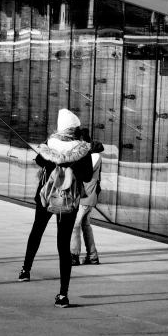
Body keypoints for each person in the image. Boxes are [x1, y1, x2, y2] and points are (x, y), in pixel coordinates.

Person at [18, 109, 99, 309]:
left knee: (37, 230)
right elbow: (87, 176)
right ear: (74, 129)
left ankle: (25, 270)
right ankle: (63, 295)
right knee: (63, 246)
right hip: (68, 201)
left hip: (46, 196)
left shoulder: (49, 145)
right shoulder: (82, 149)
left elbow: (38, 160)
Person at [71, 128, 104, 266]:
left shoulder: (94, 156)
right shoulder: (91, 155)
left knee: (75, 225)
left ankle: (74, 255)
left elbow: (85, 173)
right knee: (85, 225)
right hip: (86, 195)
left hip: (87, 195)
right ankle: (92, 256)